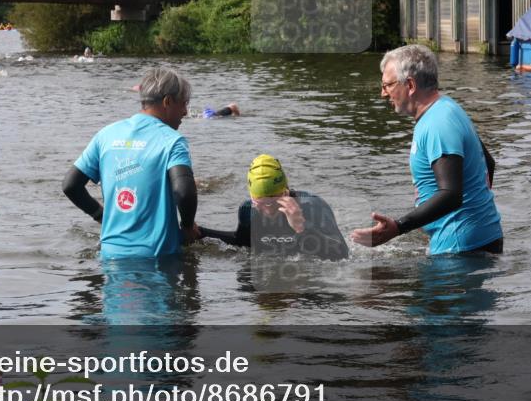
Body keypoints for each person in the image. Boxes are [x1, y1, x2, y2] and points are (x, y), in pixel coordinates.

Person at [350, 44, 503, 255]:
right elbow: (488, 163)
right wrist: (478, 213)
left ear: (410, 85)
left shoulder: (437, 123)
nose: (383, 94)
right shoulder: (446, 108)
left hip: (461, 249)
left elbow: (451, 194)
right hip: (473, 240)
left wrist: (398, 227)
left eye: (388, 85)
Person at [63, 67, 199, 259]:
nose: (185, 112)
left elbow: (70, 185)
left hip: (110, 256)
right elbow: (184, 192)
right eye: (184, 104)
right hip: (157, 258)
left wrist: (101, 216)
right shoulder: (172, 140)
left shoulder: (106, 134)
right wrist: (187, 226)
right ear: (167, 101)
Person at [200, 154, 349, 261]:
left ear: (285, 191)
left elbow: (342, 254)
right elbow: (243, 244)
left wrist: (301, 228)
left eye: (275, 201)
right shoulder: (247, 210)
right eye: (260, 203)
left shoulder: (312, 206)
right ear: (252, 197)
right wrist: (199, 232)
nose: (268, 209)